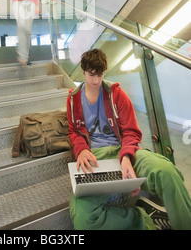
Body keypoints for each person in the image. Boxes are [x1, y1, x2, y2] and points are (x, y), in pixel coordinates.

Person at [67, 48, 191, 230]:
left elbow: (132, 132)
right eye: (91, 75)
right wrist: (82, 149)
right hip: (96, 158)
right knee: (84, 220)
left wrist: (126, 158)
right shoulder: (73, 99)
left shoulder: (117, 94)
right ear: (83, 71)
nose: (95, 80)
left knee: (167, 172)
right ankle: (141, 220)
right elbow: (74, 131)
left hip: (125, 150)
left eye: (100, 75)